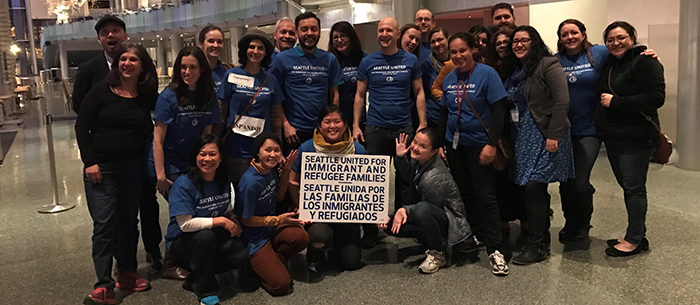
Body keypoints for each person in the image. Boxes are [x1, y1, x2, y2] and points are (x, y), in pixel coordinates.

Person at [76, 42, 158, 305]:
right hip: (103, 169)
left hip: (133, 170)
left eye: (134, 59)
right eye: (123, 59)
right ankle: (103, 284)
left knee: (128, 223)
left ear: (143, 66)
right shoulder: (101, 90)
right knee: (104, 225)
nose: (127, 63)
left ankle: (127, 272)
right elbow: (82, 125)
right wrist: (90, 161)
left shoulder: (146, 95)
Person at [500, 26, 574, 265]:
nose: (519, 45)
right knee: (531, 189)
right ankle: (538, 238)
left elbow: (562, 100)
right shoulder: (514, 70)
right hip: (522, 135)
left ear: (534, 42)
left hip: (545, 133)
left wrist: (554, 135)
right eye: (515, 41)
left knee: (533, 187)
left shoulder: (548, 64)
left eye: (524, 40)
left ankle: (537, 245)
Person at [438, 32, 510, 275]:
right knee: (465, 192)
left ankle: (496, 249)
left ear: (472, 50)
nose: (458, 56)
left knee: (485, 195)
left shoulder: (487, 74)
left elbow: (499, 111)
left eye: (462, 51)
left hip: (480, 144)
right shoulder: (449, 79)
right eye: (454, 52)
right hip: (455, 145)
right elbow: (444, 114)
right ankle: (477, 235)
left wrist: (491, 144)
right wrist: (440, 143)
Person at [147, 46, 221, 280]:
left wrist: (207, 162)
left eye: (192, 67)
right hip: (168, 164)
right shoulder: (168, 96)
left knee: (197, 206)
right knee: (183, 207)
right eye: (183, 67)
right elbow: (157, 139)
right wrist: (160, 174)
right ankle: (169, 263)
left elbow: (207, 134)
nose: (187, 71)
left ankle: (194, 254)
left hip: (193, 163)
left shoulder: (207, 95)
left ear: (202, 70)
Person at [353, 17, 427, 248]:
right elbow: (359, 95)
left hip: (403, 127)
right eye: (381, 30)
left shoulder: (410, 60)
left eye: (389, 30)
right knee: (372, 179)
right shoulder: (368, 61)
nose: (384, 34)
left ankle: (402, 223)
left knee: (405, 177)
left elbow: (419, 93)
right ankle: (372, 231)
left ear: (398, 34)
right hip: (374, 128)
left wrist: (422, 123)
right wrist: (356, 125)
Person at [596, 21, 664, 257]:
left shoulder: (645, 61)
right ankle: (636, 233)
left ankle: (634, 240)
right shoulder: (611, 64)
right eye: (611, 39)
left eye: (621, 37)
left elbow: (656, 97)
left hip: (636, 138)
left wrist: (617, 103)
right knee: (628, 187)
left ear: (632, 38)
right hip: (614, 137)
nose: (616, 43)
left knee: (634, 188)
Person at [165, 135, 250, 305]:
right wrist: (222, 221)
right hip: (184, 240)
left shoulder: (222, 178)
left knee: (240, 255)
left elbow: (224, 205)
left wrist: (233, 217)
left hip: (212, 236)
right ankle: (205, 291)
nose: (207, 159)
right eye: (202, 154)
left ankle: (198, 273)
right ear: (195, 156)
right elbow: (185, 224)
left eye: (213, 154)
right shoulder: (183, 184)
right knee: (205, 238)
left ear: (220, 158)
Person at [379, 128, 475, 274]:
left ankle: (438, 252)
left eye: (423, 146)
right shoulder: (421, 160)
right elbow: (409, 178)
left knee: (420, 210)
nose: (415, 148)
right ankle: (428, 238)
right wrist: (399, 157)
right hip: (432, 213)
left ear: (434, 151)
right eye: (415, 142)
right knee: (388, 224)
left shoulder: (433, 178)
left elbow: (426, 208)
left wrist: (405, 210)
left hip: (451, 223)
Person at [289, 105, 366, 272]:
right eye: (327, 122)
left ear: (345, 125)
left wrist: (375, 212)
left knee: (351, 262)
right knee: (320, 236)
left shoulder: (358, 150)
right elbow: (292, 180)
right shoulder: (307, 148)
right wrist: (301, 206)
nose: (332, 126)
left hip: (348, 215)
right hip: (318, 214)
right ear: (319, 126)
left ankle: (338, 244)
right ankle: (315, 253)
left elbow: (368, 187)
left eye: (337, 121)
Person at [237, 132, 310, 296]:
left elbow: (279, 196)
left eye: (277, 150)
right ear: (258, 152)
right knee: (282, 286)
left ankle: (271, 263)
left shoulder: (269, 170)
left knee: (302, 238)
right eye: (267, 150)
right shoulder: (250, 182)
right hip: (253, 237)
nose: (273, 154)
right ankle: (256, 267)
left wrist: (286, 170)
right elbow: (246, 220)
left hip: (270, 228)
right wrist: (278, 219)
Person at [270, 12, 344, 152]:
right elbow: (275, 96)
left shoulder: (329, 59)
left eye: (314, 29)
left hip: (322, 131)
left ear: (319, 32)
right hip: (292, 132)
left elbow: (335, 95)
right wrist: (285, 124)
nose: (309, 33)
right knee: (292, 172)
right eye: (304, 29)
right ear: (297, 33)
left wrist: (331, 125)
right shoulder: (282, 59)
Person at [219, 33, 283, 190]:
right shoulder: (231, 75)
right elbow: (221, 111)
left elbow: (276, 117)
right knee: (241, 190)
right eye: (251, 47)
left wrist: (278, 148)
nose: (255, 51)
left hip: (263, 149)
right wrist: (216, 140)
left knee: (262, 191)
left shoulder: (271, 80)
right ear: (244, 50)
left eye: (260, 48)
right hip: (236, 147)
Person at [72, 15, 127, 113]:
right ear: (99, 39)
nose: (110, 35)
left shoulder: (141, 65)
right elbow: (79, 105)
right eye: (104, 32)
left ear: (125, 36)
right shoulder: (87, 70)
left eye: (115, 30)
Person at [328, 21, 367, 133]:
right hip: (337, 118)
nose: (339, 40)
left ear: (351, 37)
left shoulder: (363, 57)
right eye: (335, 37)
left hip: (360, 118)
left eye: (343, 36)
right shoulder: (329, 59)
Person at [420, 26, 450, 127]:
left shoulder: (458, 62)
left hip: (454, 116)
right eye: (433, 42)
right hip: (433, 118)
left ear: (448, 39)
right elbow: (422, 93)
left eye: (440, 40)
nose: (437, 44)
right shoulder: (425, 66)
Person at [197, 25, 231, 91]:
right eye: (211, 41)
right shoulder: (193, 71)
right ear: (201, 44)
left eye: (219, 42)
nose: (215, 45)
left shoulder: (228, 70)